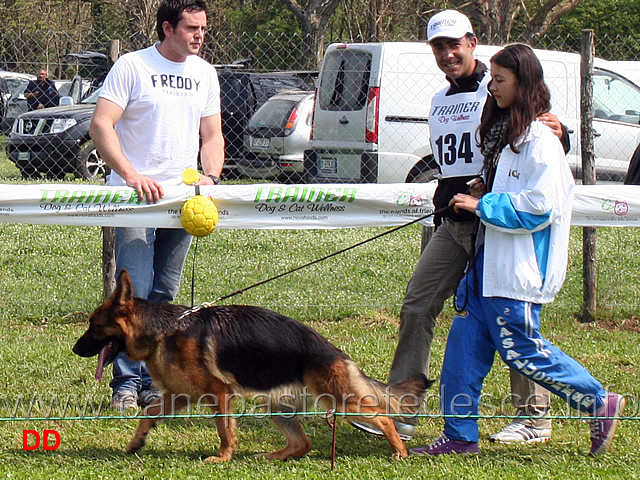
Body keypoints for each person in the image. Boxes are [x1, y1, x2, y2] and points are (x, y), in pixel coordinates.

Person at [351, 9, 568, 443]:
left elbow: (547, 133)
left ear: (472, 42)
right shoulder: (438, 100)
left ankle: (533, 416)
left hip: (495, 224)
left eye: (455, 44)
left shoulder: (502, 83)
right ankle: (403, 410)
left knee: (507, 315)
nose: (448, 53)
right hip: (452, 221)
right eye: (438, 46)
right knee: (417, 304)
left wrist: (563, 132)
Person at [409, 43, 625, 457]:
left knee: (522, 350)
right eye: (492, 78)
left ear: (523, 84)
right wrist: (485, 189)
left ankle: (597, 400)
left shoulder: (540, 142)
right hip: (485, 268)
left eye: (501, 79)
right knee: (462, 352)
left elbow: (539, 208)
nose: (492, 86)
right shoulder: (509, 140)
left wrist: (482, 204)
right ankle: (459, 436)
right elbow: (515, 190)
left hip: (517, 271)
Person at [89, 0, 225, 411]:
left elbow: (212, 136)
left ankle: (154, 381)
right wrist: (131, 175)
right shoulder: (132, 66)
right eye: (191, 28)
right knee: (135, 295)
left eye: (203, 28)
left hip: (183, 204)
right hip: (134, 202)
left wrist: (210, 176)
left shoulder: (205, 73)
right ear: (167, 28)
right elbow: (101, 124)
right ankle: (125, 385)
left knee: (165, 295)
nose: (199, 35)